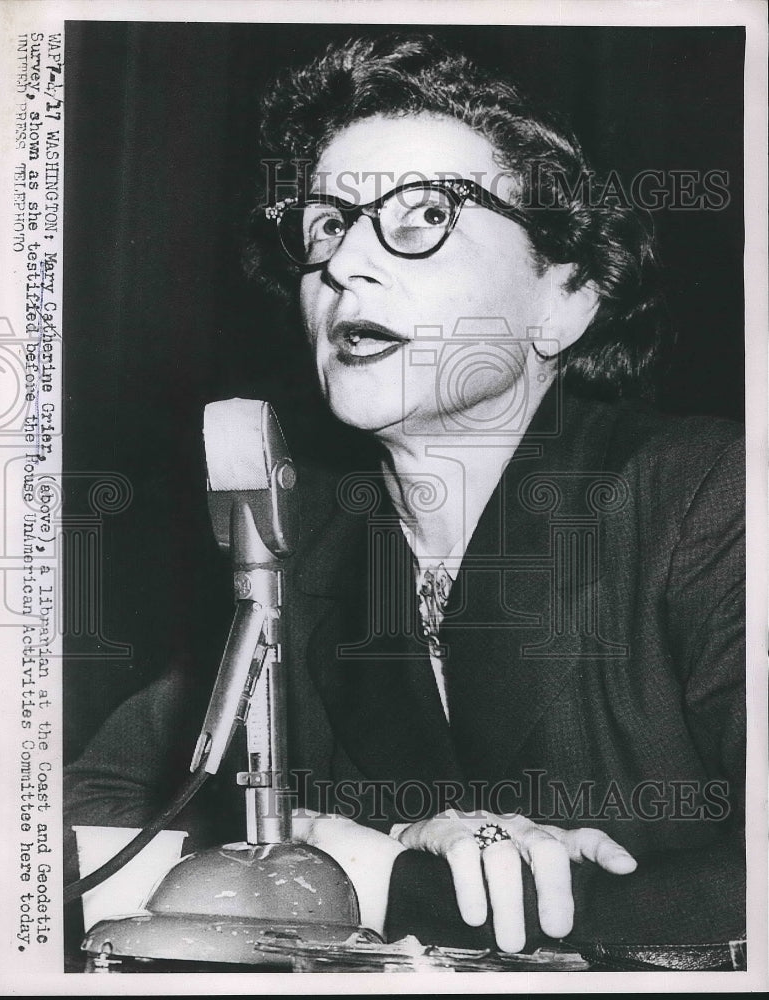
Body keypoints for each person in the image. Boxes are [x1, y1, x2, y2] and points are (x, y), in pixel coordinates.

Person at [65, 34, 745, 967]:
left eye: (425, 215)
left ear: (566, 298)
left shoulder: (707, 497)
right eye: (326, 224)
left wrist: (380, 880)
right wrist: (305, 847)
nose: (346, 265)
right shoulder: (301, 553)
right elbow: (82, 821)